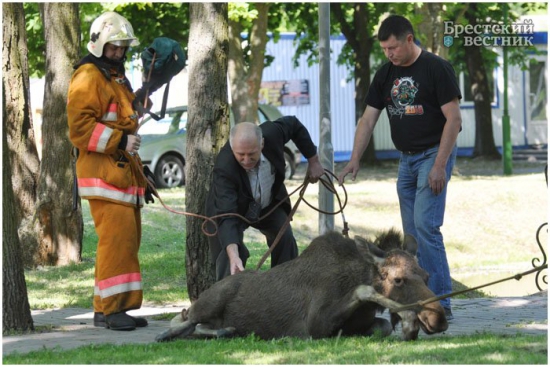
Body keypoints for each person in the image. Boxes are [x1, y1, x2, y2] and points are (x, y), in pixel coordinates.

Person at [337, 15, 462, 320]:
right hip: (406, 160)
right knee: (412, 236)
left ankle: (440, 304)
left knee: (425, 226)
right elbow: (368, 119)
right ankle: (416, 301)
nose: (389, 53)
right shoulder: (385, 74)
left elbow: (454, 120)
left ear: (409, 39)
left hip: (433, 155)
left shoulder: (436, 68)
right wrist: (354, 158)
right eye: (384, 49)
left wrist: (439, 166)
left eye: (393, 47)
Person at [67, 11, 152, 331]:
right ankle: (115, 310)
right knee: (117, 242)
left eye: (122, 47)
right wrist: (121, 140)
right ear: (100, 44)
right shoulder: (88, 75)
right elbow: (79, 128)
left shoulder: (112, 75)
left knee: (124, 242)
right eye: (114, 47)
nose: (120, 52)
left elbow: (124, 115)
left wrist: (142, 97)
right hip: (104, 173)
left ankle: (104, 309)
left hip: (117, 172)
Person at [206, 117, 325, 281]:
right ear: (232, 148)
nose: (246, 160)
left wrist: (313, 160)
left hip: (269, 204)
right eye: (240, 155)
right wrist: (233, 254)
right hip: (233, 209)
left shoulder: (273, 133)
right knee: (229, 254)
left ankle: (284, 291)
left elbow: (295, 125)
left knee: (285, 240)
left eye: (252, 154)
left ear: (262, 143)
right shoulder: (224, 167)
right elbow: (227, 215)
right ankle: (226, 300)